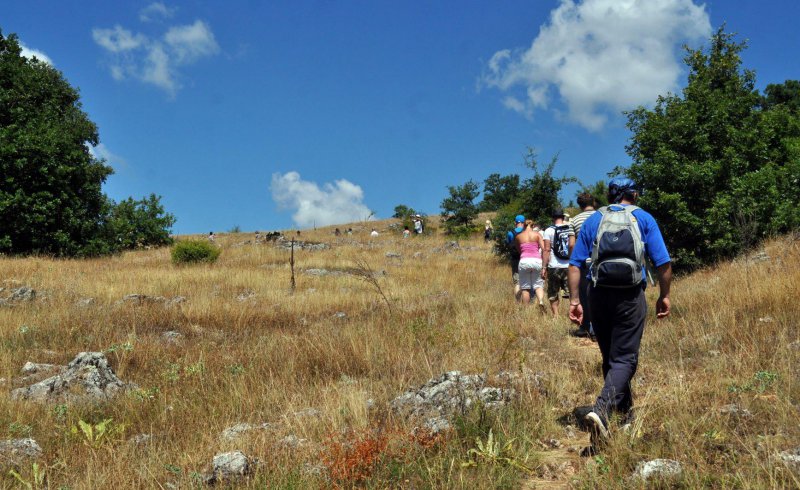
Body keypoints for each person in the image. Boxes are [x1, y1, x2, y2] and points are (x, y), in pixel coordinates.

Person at [567, 178, 672, 448]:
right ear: (633, 194)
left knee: (611, 357)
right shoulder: (644, 218)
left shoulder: (594, 220)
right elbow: (663, 263)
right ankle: (602, 410)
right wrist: (664, 295)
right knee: (625, 358)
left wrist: (575, 301)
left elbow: (576, 264)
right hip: (630, 296)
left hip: (598, 295)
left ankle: (624, 416)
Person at [570, 193, 598, 338]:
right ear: (593, 202)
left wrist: (573, 260)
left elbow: (572, 244)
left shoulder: (574, 220)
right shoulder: (601, 216)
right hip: (600, 261)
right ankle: (597, 328)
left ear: (579, 205)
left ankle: (586, 326)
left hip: (583, 263)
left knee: (584, 296)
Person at [542, 208, 575, 316]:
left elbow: (546, 250)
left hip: (554, 266)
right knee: (571, 291)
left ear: (552, 218)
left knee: (553, 292)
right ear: (563, 217)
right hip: (569, 265)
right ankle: (573, 313)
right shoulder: (570, 228)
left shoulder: (548, 230)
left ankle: (556, 315)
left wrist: (544, 267)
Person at [514, 219, 545, 308]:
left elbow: (518, 249)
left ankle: (526, 308)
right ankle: (541, 301)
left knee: (525, 287)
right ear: (533, 226)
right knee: (538, 285)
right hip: (536, 260)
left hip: (524, 261)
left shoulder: (519, 236)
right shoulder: (537, 235)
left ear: (524, 226)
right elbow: (543, 249)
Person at [506, 215, 526, 301]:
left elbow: (508, 243)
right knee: (527, 282)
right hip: (525, 259)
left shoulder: (510, 233)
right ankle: (528, 302)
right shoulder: (526, 232)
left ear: (515, 223)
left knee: (517, 283)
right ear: (524, 223)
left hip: (515, 260)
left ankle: (518, 302)